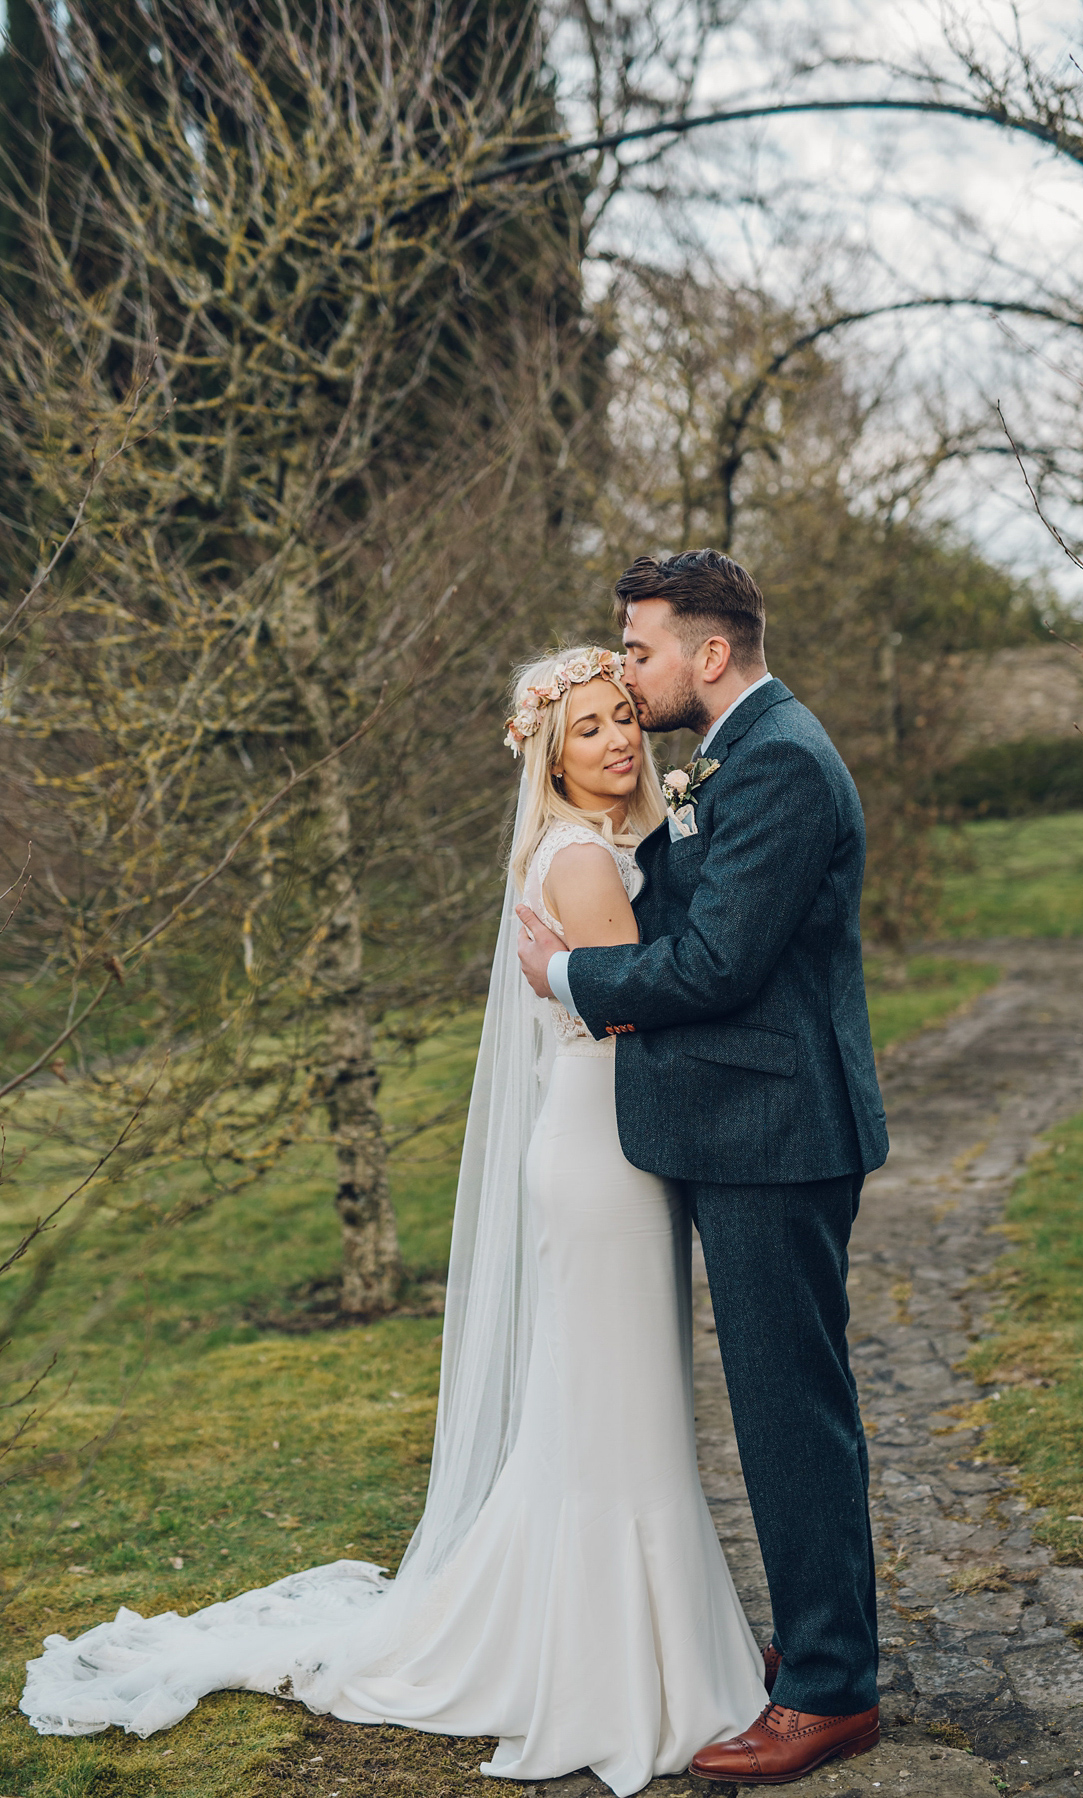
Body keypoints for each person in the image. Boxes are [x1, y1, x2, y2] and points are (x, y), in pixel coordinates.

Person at [21, 644, 768, 1798]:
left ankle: (621, 1643)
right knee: (623, 1413)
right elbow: (635, 1012)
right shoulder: (583, 863)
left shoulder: (587, 850)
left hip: (600, 1144)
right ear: (550, 756)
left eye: (627, 716)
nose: (621, 739)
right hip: (607, 1152)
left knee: (609, 1410)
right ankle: (613, 1669)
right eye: (590, 729)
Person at [516, 550, 889, 1786]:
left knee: (791, 1408)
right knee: (785, 1403)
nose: (627, 669)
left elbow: (718, 963)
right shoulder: (737, 750)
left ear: (707, 652)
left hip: (777, 1132)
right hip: (752, 1121)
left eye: (639, 648)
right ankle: (819, 1651)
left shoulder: (777, 758)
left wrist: (569, 975)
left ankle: (830, 1690)